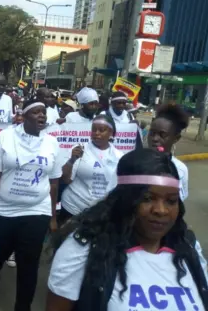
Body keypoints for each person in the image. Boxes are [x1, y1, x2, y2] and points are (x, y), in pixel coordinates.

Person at [46, 148, 208, 311]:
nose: (161, 210)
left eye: (171, 201)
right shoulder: (84, 248)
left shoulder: (188, 246)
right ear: (125, 199)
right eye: (147, 198)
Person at [0, 98, 62, 311]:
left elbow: (54, 184)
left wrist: (53, 217)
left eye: (44, 112)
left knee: (29, 263)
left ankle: (23, 306)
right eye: (36, 112)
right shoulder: (5, 138)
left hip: (37, 210)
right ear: (24, 116)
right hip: (5, 210)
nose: (42, 116)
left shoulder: (52, 143)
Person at [59, 114, 123, 222]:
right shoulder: (80, 149)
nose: (96, 133)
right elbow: (66, 179)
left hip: (100, 212)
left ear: (111, 133)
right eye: (94, 130)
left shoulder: (119, 156)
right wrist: (71, 160)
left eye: (101, 130)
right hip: (72, 207)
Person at [148, 103, 190, 201]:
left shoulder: (180, 169)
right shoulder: (134, 163)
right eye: (152, 133)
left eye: (162, 135)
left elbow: (181, 200)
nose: (155, 139)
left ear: (176, 138)